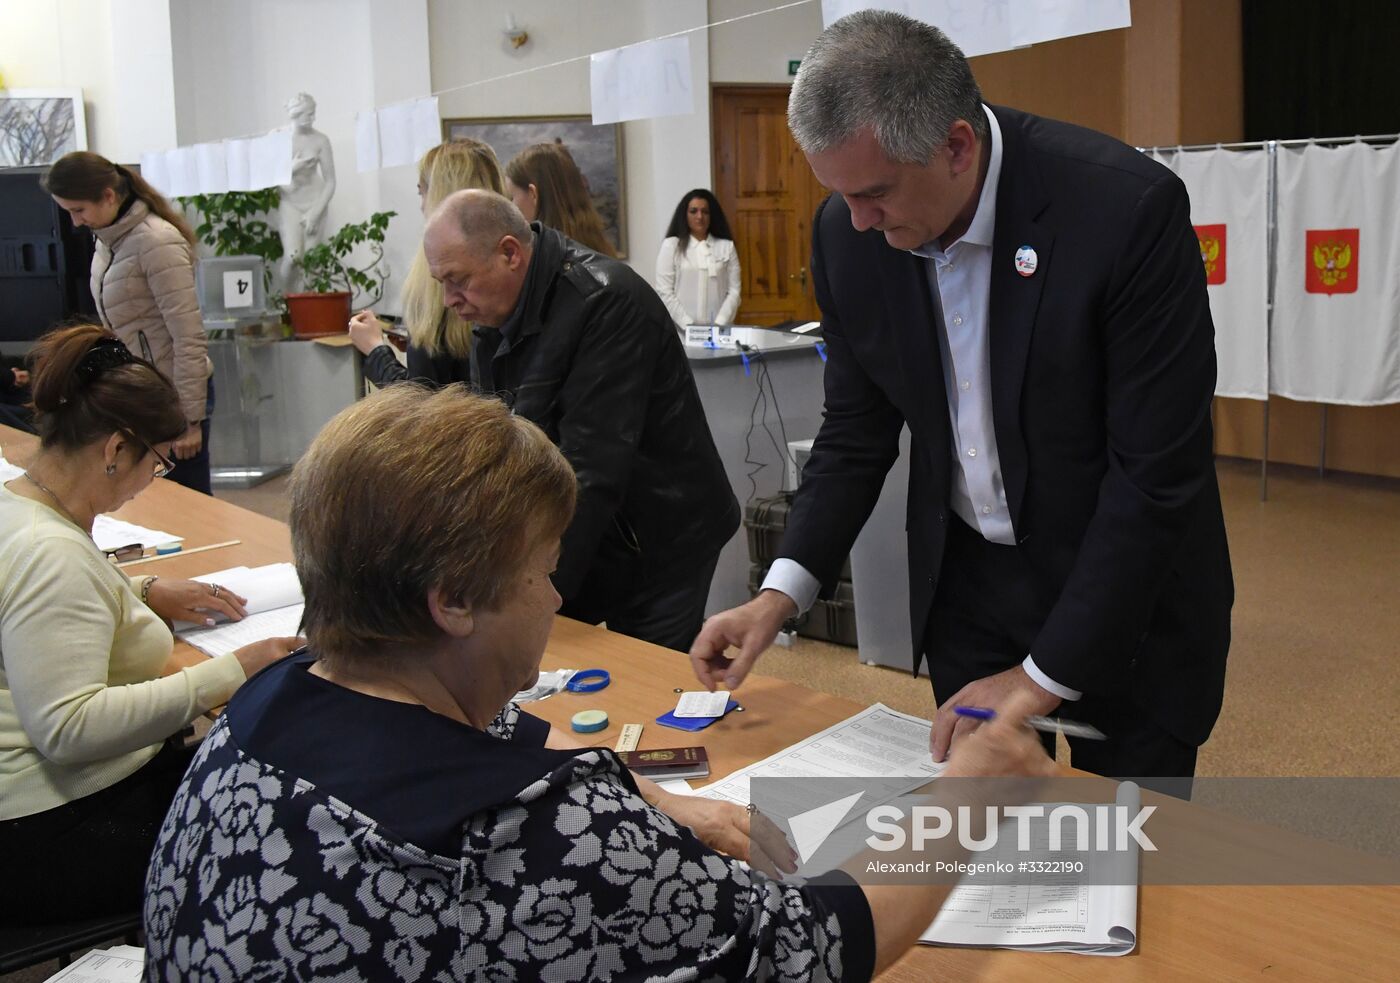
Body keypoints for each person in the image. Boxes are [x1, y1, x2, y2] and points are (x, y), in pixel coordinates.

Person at [143, 384, 1058, 981]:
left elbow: (469, 753)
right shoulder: (542, 838)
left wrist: (641, 793)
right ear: (453, 600)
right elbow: (818, 946)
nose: (554, 594)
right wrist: (972, 796)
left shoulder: (263, 706)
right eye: (541, 570)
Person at [691, 10, 1233, 786]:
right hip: (973, 588)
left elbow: (1156, 475)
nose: (858, 220)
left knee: (1132, 855)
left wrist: (1041, 678)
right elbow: (855, 430)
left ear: (956, 146)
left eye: (874, 192)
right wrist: (780, 592)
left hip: (1127, 589)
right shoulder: (850, 232)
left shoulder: (1125, 213)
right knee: (985, 849)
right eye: (840, 194)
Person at [0, 324, 301, 925]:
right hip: (46, 829)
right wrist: (230, 672)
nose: (148, 484)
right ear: (114, 450)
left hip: (36, 806)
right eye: (156, 465)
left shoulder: (19, 504)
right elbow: (69, 728)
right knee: (278, 827)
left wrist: (141, 590)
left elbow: (40, 604)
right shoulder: (49, 553)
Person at [422, 190, 738, 652]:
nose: (450, 299)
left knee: (648, 679)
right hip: (590, 531)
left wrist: (534, 591)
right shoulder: (492, 306)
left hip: (661, 536)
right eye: (441, 283)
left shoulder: (606, 301)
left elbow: (590, 471)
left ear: (510, 253)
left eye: (458, 280)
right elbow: (497, 444)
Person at [44, 151, 215, 494]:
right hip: (141, 391)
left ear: (108, 196)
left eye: (79, 210)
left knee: (189, 503)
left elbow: (188, 336)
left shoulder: (156, 241)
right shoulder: (110, 240)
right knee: (150, 501)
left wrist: (191, 420)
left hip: (174, 396)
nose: (75, 222)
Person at [349, 139, 504, 388]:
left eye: (422, 192)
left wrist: (375, 351)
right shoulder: (515, 268)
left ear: (440, 195)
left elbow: (423, 408)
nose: (421, 205)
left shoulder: (433, 291)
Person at [504, 142, 618, 257]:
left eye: (511, 198)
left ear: (534, 194)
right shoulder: (600, 251)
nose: (509, 207)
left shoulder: (538, 262)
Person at [655, 188, 742, 329]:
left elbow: (734, 291)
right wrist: (689, 326)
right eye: (693, 211)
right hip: (681, 333)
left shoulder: (727, 247)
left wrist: (720, 323)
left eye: (705, 212)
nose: (699, 216)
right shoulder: (671, 246)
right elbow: (664, 292)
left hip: (719, 331)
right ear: (685, 214)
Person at [277, 92, 337, 291]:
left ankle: (306, 306)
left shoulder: (321, 140)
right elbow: (268, 177)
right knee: (293, 256)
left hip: (315, 202)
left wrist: (315, 212)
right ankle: (285, 304)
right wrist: (292, 168)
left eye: (313, 114)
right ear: (295, 114)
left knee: (311, 260)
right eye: (307, 114)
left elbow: (330, 181)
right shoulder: (277, 138)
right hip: (290, 203)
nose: (312, 118)